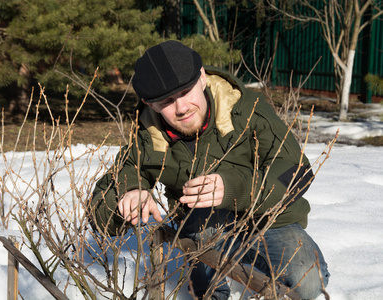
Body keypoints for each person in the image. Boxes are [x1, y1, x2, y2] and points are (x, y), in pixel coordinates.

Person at [90, 40, 329, 299]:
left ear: (202, 78)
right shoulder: (150, 136)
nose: (181, 108)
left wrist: (236, 189)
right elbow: (102, 208)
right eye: (167, 101)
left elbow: (296, 171)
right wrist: (130, 192)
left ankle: (252, 264)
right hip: (205, 227)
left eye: (185, 92)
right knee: (209, 292)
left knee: (309, 282)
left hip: (266, 219)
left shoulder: (245, 109)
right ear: (150, 104)